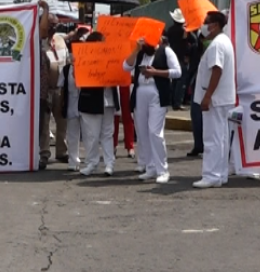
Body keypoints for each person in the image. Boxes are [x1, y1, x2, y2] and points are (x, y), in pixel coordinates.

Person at [124, 35, 181, 184]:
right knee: (142, 132)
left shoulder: (165, 51)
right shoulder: (141, 54)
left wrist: (155, 73)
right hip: (140, 92)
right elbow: (126, 66)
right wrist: (136, 50)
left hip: (157, 93)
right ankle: (150, 167)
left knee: (155, 132)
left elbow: (177, 72)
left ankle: (162, 170)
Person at [193, 11, 236, 188]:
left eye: (207, 22)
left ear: (215, 25)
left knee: (212, 138)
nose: (204, 25)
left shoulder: (217, 44)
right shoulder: (224, 41)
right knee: (222, 138)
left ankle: (211, 175)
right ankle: (220, 174)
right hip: (223, 98)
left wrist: (207, 96)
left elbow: (216, 70)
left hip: (215, 99)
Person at [79, 32, 120, 176]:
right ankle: (92, 163)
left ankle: (109, 164)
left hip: (108, 100)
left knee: (108, 134)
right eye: (102, 41)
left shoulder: (110, 57)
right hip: (91, 100)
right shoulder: (84, 57)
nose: (104, 44)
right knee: (92, 135)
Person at [45, 20, 69, 163]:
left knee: (62, 122)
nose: (52, 28)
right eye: (49, 25)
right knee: (45, 124)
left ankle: (62, 151)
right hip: (45, 89)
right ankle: (44, 152)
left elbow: (66, 63)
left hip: (60, 89)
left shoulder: (60, 41)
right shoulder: (38, 43)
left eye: (54, 25)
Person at [58, 38, 81, 171]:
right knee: (72, 134)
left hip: (84, 103)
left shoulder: (86, 67)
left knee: (89, 134)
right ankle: (73, 161)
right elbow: (61, 87)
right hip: (71, 104)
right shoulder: (66, 70)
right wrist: (62, 104)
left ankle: (90, 162)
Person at [37, 0, 52, 170]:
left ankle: (43, 155)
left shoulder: (42, 45)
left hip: (41, 92)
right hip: (26, 93)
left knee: (43, 125)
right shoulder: (28, 43)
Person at [165, 9, 188, 110]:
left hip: (172, 57)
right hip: (181, 57)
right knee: (180, 81)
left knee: (173, 80)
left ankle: (171, 100)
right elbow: (191, 42)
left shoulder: (170, 30)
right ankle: (177, 102)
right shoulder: (184, 31)